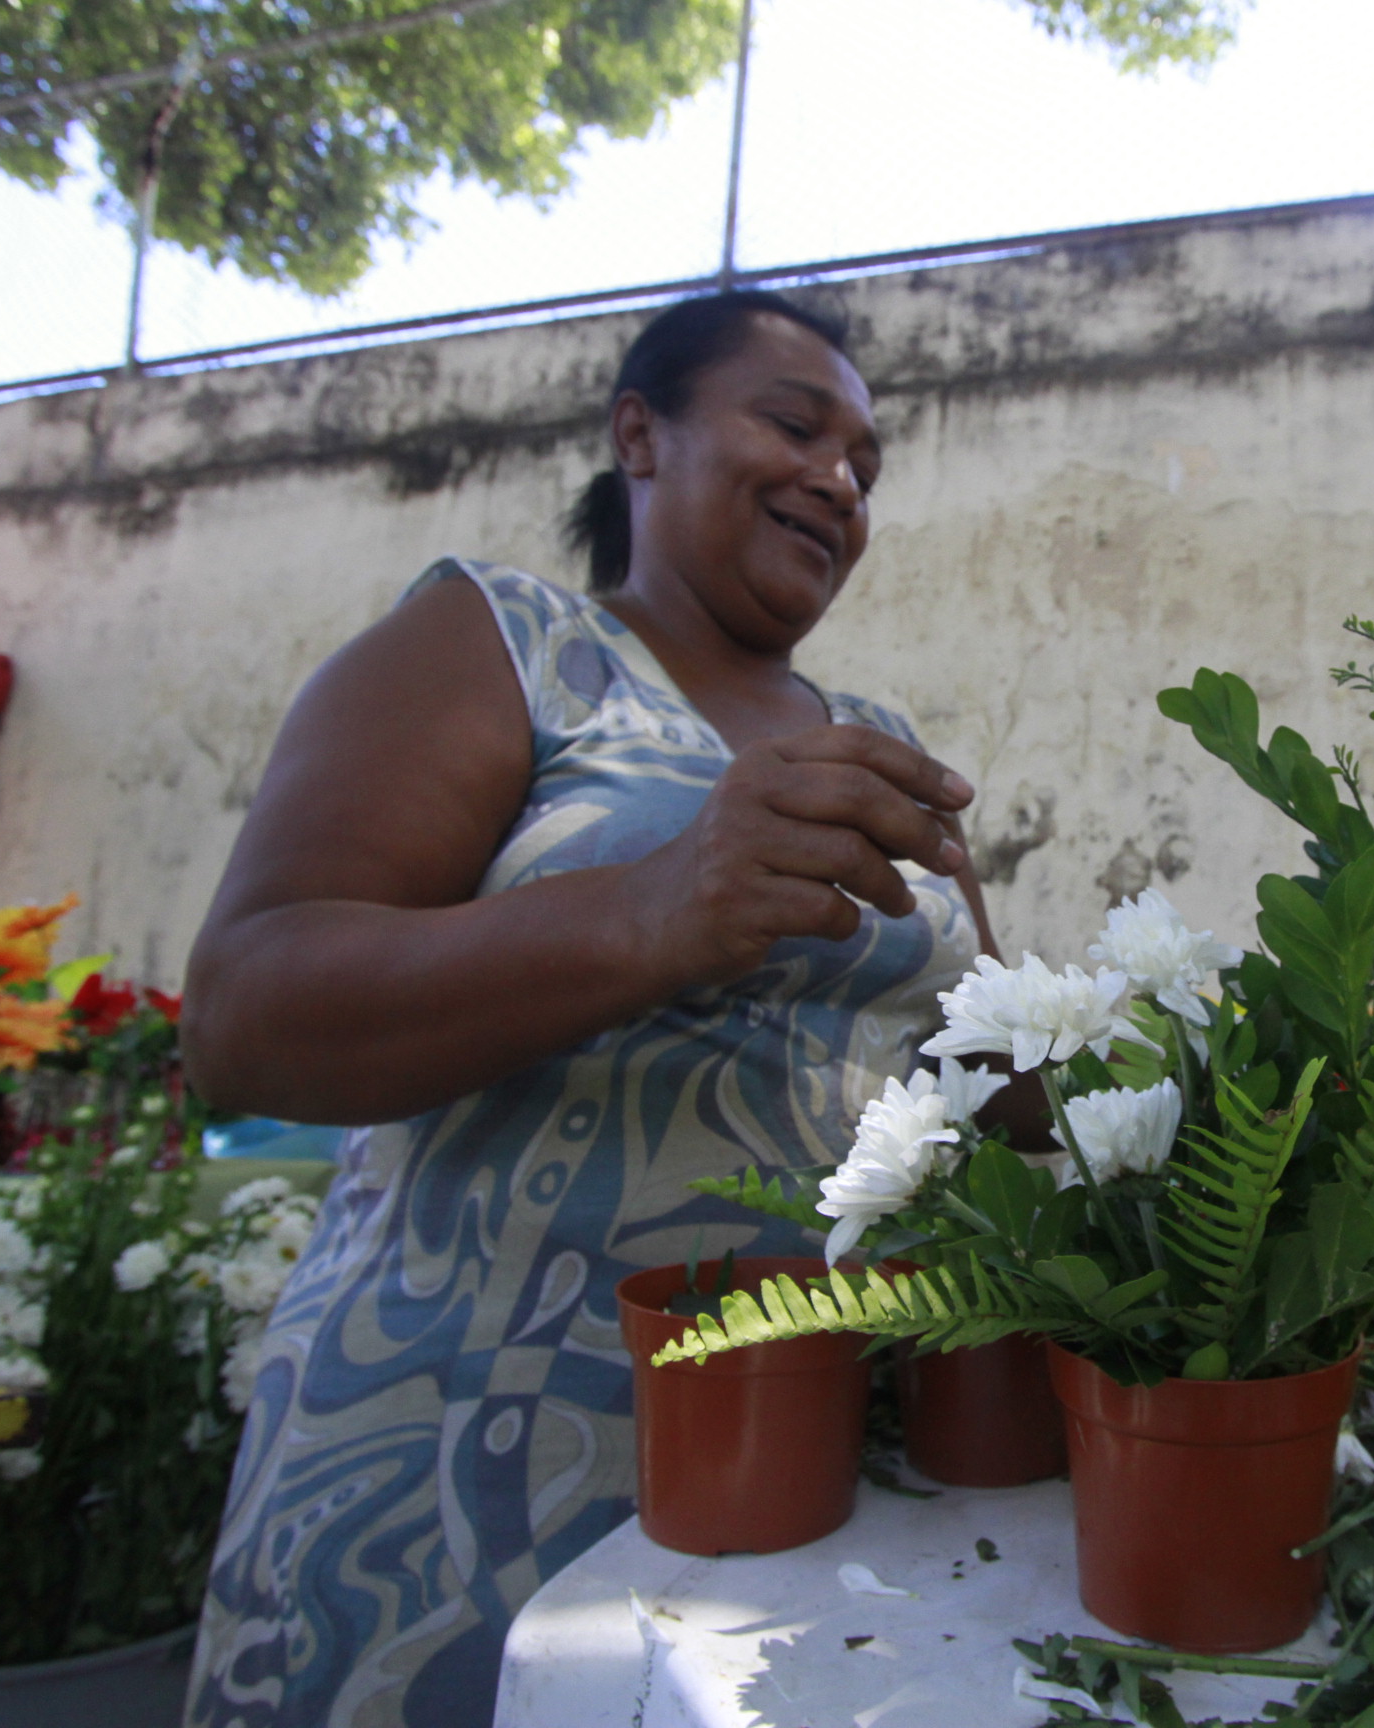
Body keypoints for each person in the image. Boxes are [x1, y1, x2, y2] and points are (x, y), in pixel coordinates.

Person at [179, 292, 1002, 1728]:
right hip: (449, 1477)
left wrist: (1163, 1074)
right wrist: (652, 907)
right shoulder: (501, 643)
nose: (839, 481)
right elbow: (243, 1016)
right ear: (639, 433)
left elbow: (964, 1051)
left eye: (866, 466)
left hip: (802, 1482)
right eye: (796, 426)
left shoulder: (875, 739)